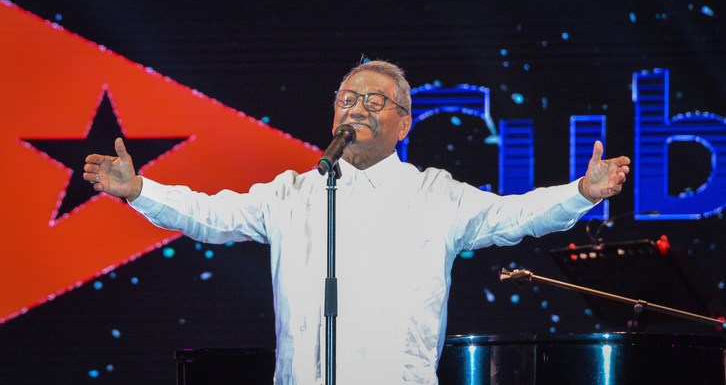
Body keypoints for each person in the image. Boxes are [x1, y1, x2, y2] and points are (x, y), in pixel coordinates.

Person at [83, 60, 630, 384]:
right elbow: (210, 215)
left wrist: (580, 193)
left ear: (404, 123)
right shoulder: (293, 193)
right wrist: (139, 190)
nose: (358, 108)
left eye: (376, 100)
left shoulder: (434, 194)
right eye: (348, 98)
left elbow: (515, 216)